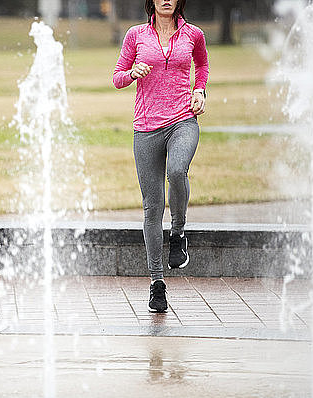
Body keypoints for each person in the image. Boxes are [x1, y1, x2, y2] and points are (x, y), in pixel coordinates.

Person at [112, 0, 209, 313]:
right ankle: (157, 284)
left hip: (183, 120)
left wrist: (200, 91)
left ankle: (178, 231)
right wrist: (131, 72)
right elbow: (117, 77)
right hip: (146, 127)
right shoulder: (136, 35)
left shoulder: (193, 34)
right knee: (152, 208)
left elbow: (202, 66)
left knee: (178, 170)